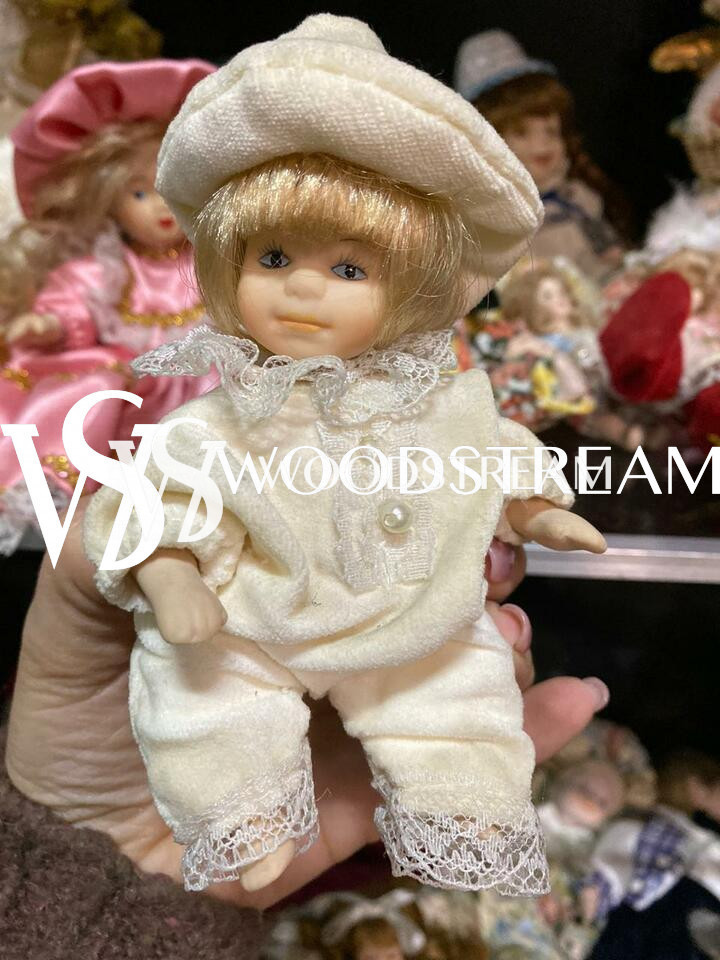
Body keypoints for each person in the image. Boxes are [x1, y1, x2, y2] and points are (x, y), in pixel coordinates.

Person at [2, 497, 608, 956]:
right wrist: (170, 572)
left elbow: (488, 459)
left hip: (391, 607)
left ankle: (465, 811)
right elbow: (176, 485)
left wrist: (532, 513)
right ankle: (247, 833)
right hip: (255, 608)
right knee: (209, 696)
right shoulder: (247, 421)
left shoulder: (434, 414)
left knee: (453, 679)